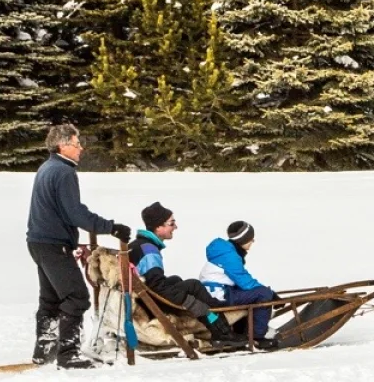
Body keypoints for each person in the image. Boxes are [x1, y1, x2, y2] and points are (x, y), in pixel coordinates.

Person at [26, 124, 131, 369]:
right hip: (53, 244)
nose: (81, 148)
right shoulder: (63, 172)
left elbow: (58, 212)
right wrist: (111, 227)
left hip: (39, 242)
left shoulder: (46, 167)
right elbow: (75, 213)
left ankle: (45, 350)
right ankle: (68, 355)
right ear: (62, 145)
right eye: (77, 143)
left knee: (51, 299)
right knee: (77, 297)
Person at [127, 202, 250, 349]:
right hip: (151, 302)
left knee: (177, 280)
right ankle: (222, 331)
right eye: (171, 223)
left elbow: (153, 281)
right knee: (194, 287)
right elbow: (157, 286)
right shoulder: (149, 251)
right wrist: (188, 301)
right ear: (158, 227)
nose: (175, 227)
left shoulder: (139, 245)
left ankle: (215, 313)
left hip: (146, 297)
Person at [201, 221, 282, 348]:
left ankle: (241, 331)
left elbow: (242, 282)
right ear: (243, 240)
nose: (253, 241)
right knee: (263, 294)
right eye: (251, 238)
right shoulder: (230, 256)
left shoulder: (225, 252)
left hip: (217, 291)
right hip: (219, 295)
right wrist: (270, 294)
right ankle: (257, 337)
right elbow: (246, 282)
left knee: (252, 293)